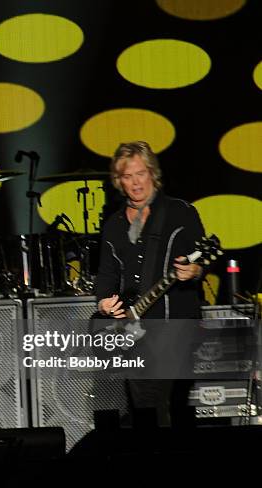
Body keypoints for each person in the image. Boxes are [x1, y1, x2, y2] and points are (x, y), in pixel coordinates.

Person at [94, 141, 206, 426]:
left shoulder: (180, 212)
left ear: (152, 174)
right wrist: (104, 301)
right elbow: (107, 275)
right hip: (134, 329)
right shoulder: (114, 224)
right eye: (127, 177)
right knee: (143, 406)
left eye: (140, 174)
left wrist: (193, 271)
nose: (135, 183)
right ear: (119, 181)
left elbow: (200, 261)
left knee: (177, 405)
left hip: (177, 324)